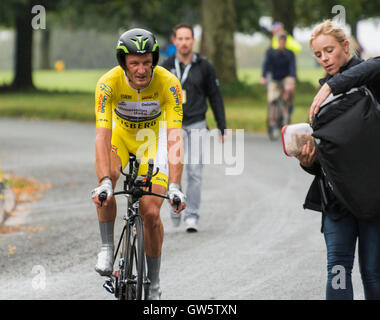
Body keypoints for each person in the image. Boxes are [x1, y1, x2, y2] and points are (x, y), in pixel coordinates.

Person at [91, 28, 186, 300]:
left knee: (151, 212)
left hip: (151, 143)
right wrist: (105, 181)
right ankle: (107, 248)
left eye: (147, 62)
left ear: (154, 60)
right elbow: (102, 135)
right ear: (124, 64)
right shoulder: (108, 83)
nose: (142, 70)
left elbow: (175, 137)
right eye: (134, 63)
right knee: (105, 186)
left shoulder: (169, 84)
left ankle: (153, 284)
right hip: (119, 139)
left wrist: (176, 185)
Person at [297, 19, 380, 300]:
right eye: (318, 55)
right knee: (338, 270)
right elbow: (329, 157)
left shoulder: (370, 80)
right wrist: (308, 161)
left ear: (346, 46)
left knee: (373, 273)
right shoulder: (323, 97)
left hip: (373, 198)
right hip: (336, 201)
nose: (324, 59)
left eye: (329, 50)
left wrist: (333, 86)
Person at [161, 23, 226, 232]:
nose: (183, 42)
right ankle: (174, 207)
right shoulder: (166, 66)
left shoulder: (204, 66)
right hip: (173, 124)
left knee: (195, 171)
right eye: (179, 39)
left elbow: (215, 96)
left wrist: (221, 126)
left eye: (187, 38)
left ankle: (192, 216)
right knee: (174, 168)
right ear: (174, 41)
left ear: (193, 40)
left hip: (197, 121)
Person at [260, 33, 296, 139]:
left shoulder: (290, 54)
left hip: (285, 78)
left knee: (288, 93)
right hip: (274, 79)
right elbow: (266, 65)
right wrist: (263, 77)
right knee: (273, 101)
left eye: (283, 41)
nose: (282, 43)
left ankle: (286, 114)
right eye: (280, 41)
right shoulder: (271, 53)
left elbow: (292, 68)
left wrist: (291, 78)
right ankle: (273, 124)